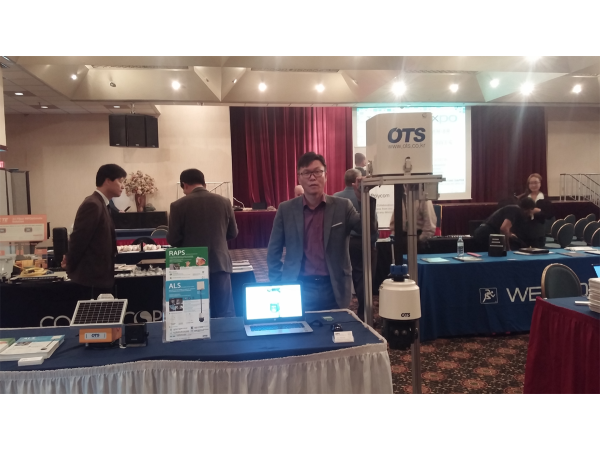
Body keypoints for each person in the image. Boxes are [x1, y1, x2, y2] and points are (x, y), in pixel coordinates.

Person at [267, 152, 377, 312]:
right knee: (299, 328)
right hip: (297, 287)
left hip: (334, 287)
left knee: (336, 327)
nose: (312, 177)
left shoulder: (342, 206)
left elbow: (368, 231)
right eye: (306, 173)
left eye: (318, 172)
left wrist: (364, 199)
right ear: (299, 178)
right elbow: (273, 252)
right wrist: (278, 284)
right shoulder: (286, 210)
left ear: (326, 176)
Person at [167, 169, 239, 318]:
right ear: (204, 184)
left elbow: (173, 239)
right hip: (219, 263)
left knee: (193, 314)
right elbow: (233, 233)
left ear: (184, 185)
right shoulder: (224, 202)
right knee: (224, 312)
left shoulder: (177, 205)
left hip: (190, 266)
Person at [62, 164, 127, 295]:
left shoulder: (102, 204)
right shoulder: (93, 204)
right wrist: (70, 264)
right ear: (108, 180)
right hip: (91, 280)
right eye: (120, 181)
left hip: (100, 278)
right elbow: (79, 240)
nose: (123, 186)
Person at [333, 169, 379, 319]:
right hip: (364, 244)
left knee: (341, 277)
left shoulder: (335, 198)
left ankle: (340, 311)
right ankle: (364, 314)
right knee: (364, 279)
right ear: (356, 182)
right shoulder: (366, 198)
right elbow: (372, 226)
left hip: (343, 245)